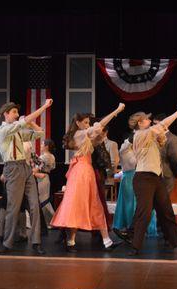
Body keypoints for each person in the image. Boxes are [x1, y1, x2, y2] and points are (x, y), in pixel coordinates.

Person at [51, 104, 126, 252]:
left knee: (95, 204)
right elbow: (98, 126)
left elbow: (96, 137)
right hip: (80, 172)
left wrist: (99, 136)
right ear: (78, 123)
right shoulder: (79, 134)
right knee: (77, 205)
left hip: (86, 171)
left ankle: (106, 241)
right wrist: (116, 111)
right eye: (85, 122)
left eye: (88, 122)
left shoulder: (84, 136)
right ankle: (71, 241)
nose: (87, 125)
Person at [127, 104, 177, 256]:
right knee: (144, 213)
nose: (150, 120)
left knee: (167, 212)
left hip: (156, 178)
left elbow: (162, 139)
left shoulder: (149, 135)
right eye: (146, 119)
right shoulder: (140, 134)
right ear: (139, 123)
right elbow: (164, 124)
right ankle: (135, 246)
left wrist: (162, 136)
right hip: (143, 178)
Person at [0, 99, 53, 255]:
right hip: (13, 168)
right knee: (13, 208)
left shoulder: (18, 131)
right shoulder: (2, 131)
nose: (17, 114)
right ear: (5, 114)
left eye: (17, 112)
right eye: (14, 112)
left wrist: (31, 123)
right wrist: (44, 107)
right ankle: (7, 243)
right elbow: (23, 122)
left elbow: (40, 133)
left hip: (25, 167)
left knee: (35, 205)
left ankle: (36, 242)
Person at [113, 133, 158, 239]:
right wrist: (132, 138)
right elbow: (126, 146)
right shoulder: (124, 150)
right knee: (130, 205)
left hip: (141, 177)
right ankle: (131, 228)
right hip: (129, 179)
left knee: (143, 204)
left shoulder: (138, 150)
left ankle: (144, 228)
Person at [152, 113, 177, 193]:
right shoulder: (151, 138)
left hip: (166, 176)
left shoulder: (173, 139)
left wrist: (174, 174)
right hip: (152, 175)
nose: (154, 127)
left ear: (166, 125)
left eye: (157, 124)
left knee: (164, 202)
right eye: (153, 124)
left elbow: (176, 160)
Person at [32, 139, 57, 228]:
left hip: (42, 178)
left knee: (43, 200)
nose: (41, 146)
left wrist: (34, 171)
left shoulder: (46, 157)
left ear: (47, 146)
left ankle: (51, 221)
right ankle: (48, 221)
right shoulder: (51, 156)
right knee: (43, 200)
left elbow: (38, 167)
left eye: (42, 144)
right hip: (45, 178)